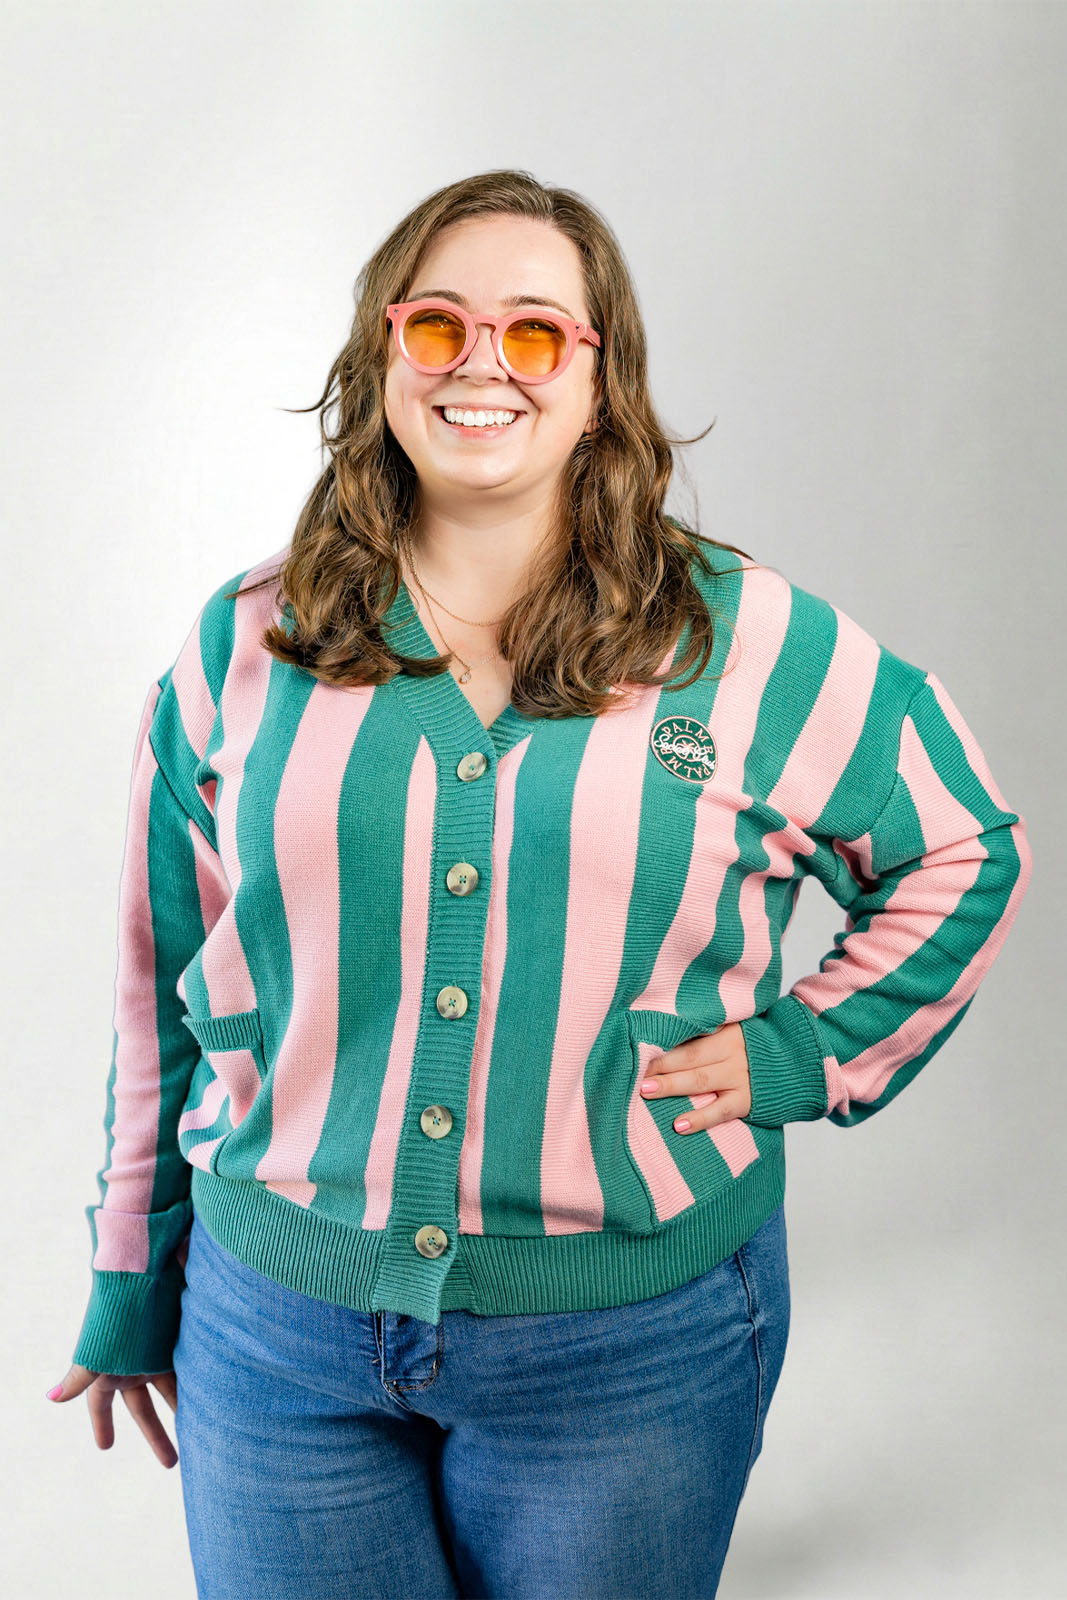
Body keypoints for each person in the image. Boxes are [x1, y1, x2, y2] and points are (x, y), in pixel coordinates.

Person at [47, 169, 1032, 1600]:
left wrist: (804, 1052)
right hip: (279, 1343)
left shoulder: (743, 641)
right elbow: (164, 995)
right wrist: (135, 1276)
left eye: (534, 333)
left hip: (629, 1351)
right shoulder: (246, 643)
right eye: (437, 327)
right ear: (384, 360)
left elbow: (962, 841)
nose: (481, 367)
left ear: (599, 382)